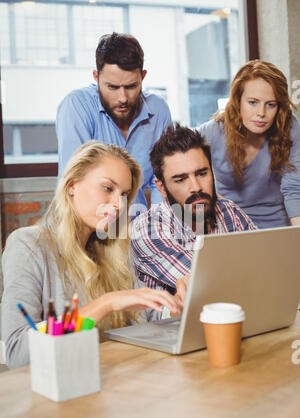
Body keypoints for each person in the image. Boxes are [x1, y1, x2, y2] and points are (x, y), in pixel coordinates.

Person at [1, 141, 181, 369]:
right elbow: (18, 353)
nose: (118, 204)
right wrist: (106, 303)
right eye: (108, 188)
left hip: (118, 379)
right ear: (71, 185)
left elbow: (144, 318)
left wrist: (176, 306)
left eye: (124, 194)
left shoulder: (115, 249)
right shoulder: (28, 245)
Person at [130, 123, 257, 308]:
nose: (196, 187)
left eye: (202, 173)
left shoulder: (229, 211)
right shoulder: (147, 230)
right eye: (181, 179)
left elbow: (265, 265)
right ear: (162, 188)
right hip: (168, 331)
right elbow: (207, 287)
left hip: (237, 316)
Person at [56, 32, 172, 213]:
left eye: (131, 86)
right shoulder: (76, 106)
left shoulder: (158, 110)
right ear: (96, 77)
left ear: (143, 76)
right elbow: (77, 185)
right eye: (112, 87)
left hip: (137, 228)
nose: (122, 98)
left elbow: (162, 180)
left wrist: (157, 227)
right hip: (89, 225)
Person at [198, 60, 300, 229]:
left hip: (276, 228)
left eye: (270, 105)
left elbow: (294, 189)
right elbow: (187, 187)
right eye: (253, 102)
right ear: (238, 101)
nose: (261, 113)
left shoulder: (289, 127)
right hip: (228, 229)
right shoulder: (212, 132)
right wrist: (193, 238)